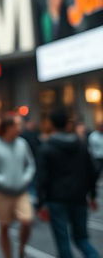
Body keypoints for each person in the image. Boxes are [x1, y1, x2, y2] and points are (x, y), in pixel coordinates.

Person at [37, 108, 99, 258]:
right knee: (82, 238)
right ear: (67, 124)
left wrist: (41, 203)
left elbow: (42, 178)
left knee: (62, 241)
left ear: (51, 124)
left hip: (56, 198)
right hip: (79, 196)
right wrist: (92, 195)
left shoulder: (46, 148)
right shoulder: (81, 145)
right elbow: (92, 171)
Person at [0, 115, 36, 258]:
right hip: (1, 193)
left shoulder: (22, 143)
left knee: (27, 220)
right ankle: (8, 255)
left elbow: (30, 165)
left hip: (21, 191)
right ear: (8, 127)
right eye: (17, 125)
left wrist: (25, 178)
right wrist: (2, 180)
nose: (20, 128)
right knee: (4, 226)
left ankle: (21, 247)